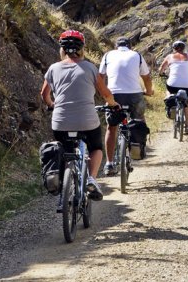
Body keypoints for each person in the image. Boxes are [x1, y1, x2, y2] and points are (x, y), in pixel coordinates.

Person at [40, 29, 117, 203]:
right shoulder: (90, 67)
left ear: (62, 49)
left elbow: (44, 94)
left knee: (65, 150)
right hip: (87, 120)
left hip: (60, 121)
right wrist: (113, 104)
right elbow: (105, 94)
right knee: (96, 147)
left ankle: (66, 178)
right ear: (82, 48)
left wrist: (52, 105)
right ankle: (91, 179)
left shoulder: (53, 68)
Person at [99, 37, 154, 175]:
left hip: (114, 95)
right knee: (139, 119)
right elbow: (146, 77)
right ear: (130, 46)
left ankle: (109, 164)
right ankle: (138, 147)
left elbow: (100, 78)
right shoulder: (137, 55)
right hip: (134, 95)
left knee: (111, 128)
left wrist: (105, 94)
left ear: (116, 46)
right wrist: (148, 91)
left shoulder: (108, 55)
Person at [158, 40, 188, 135]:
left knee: (168, 89)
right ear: (183, 48)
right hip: (187, 85)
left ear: (174, 48)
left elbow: (161, 69)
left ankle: (169, 101)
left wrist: (161, 73)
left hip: (173, 84)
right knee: (185, 104)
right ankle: (187, 126)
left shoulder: (169, 56)